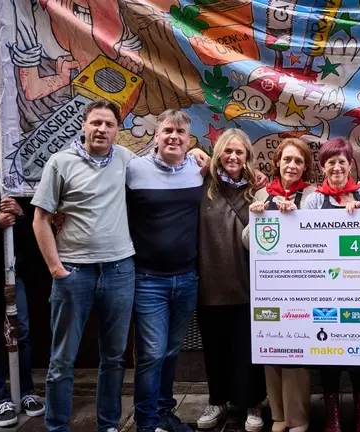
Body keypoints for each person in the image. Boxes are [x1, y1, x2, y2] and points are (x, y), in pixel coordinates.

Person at [32, 100, 138, 432]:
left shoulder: (125, 159)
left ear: (118, 130)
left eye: (108, 124)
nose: (101, 129)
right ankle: (57, 426)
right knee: (62, 359)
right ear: (83, 125)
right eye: (95, 122)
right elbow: (40, 220)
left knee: (114, 358)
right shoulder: (60, 162)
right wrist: (55, 268)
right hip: (74, 272)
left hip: (120, 270)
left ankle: (108, 424)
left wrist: (198, 157)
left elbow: (164, 166)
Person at [126, 110, 203, 432]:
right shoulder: (133, 169)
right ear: (156, 136)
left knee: (171, 350)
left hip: (186, 277)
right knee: (152, 353)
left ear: (188, 139)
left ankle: (164, 413)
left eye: (181, 132)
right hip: (147, 279)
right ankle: (145, 421)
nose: (174, 136)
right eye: (168, 130)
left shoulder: (199, 170)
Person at [303, 137, 360, 432]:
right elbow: (300, 240)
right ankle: (332, 414)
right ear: (323, 166)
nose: (337, 166)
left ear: (351, 164)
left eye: (342, 161)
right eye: (330, 161)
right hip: (324, 290)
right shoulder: (312, 200)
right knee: (328, 350)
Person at [196, 128, 266, 432]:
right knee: (215, 348)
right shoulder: (201, 182)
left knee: (250, 350)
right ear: (217, 154)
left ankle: (252, 403)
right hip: (211, 282)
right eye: (228, 151)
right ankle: (217, 400)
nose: (233, 157)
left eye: (239, 152)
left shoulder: (257, 188)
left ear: (247, 156)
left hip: (249, 284)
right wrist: (190, 153)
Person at [247, 138, 317, 432]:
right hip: (268, 286)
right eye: (287, 160)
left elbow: (321, 239)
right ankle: (278, 415)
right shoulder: (262, 194)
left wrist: (296, 218)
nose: (292, 165)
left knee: (296, 353)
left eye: (298, 161)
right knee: (271, 349)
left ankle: (298, 417)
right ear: (277, 163)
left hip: (302, 286)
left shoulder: (312, 195)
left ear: (305, 167)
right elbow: (246, 242)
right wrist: (258, 219)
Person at [0, 173, 45, 427]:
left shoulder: (7, 185)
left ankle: (25, 391)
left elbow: (31, 238)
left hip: (12, 276)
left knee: (20, 332)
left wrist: (20, 215)